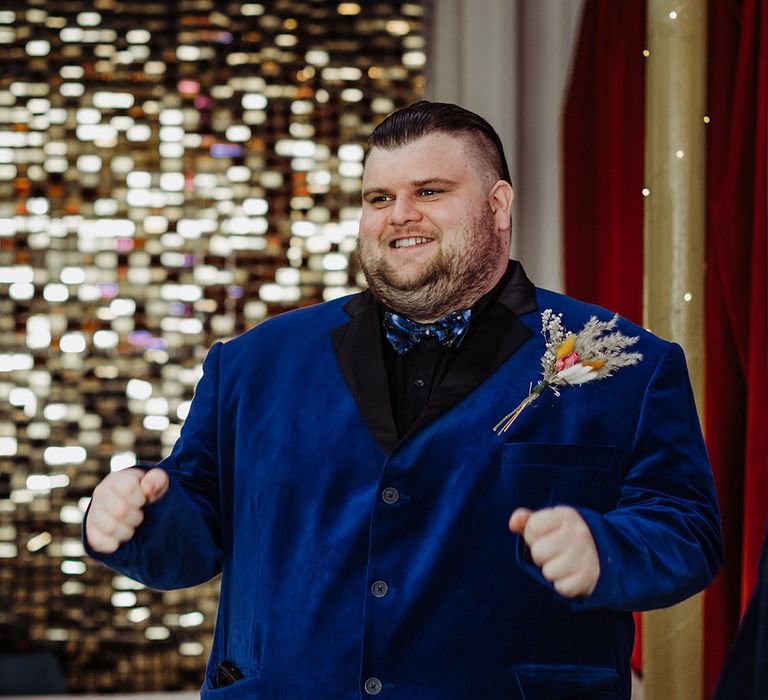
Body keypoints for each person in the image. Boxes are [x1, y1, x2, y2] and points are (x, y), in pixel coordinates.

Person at [84, 101, 722, 699]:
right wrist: (133, 522)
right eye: (379, 197)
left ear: (499, 206)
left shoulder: (625, 360)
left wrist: (605, 548)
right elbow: (195, 538)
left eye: (431, 192)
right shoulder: (251, 363)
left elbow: (687, 532)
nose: (400, 214)